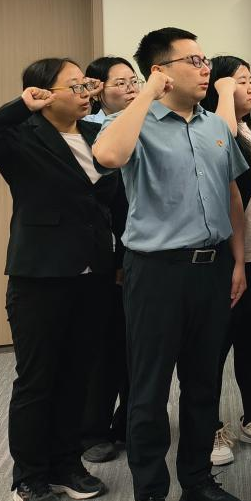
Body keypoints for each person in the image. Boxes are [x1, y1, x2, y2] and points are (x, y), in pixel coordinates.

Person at [92, 28, 249, 501]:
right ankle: (150, 497)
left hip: (212, 270)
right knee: (150, 390)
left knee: (204, 385)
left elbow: (232, 194)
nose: (205, 68)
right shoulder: (131, 122)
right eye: (194, 60)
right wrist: (145, 95)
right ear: (161, 70)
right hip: (156, 272)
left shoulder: (215, 126)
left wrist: (237, 262)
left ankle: (198, 483)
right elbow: (108, 155)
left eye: (205, 59)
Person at [0, 58, 121, 501]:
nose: (85, 92)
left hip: (94, 273)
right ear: (43, 94)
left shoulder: (96, 134)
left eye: (86, 84)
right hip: (41, 275)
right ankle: (29, 477)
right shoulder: (21, 135)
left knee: (77, 374)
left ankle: (66, 464)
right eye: (74, 85)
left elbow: (113, 201)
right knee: (38, 378)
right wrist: (19, 106)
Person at [80, 56, 141, 464]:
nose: (131, 87)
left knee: (138, 345)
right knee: (104, 345)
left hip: (142, 251)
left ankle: (129, 422)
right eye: (120, 82)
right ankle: (92, 430)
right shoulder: (87, 131)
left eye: (134, 80)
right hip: (106, 254)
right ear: (98, 89)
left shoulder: (144, 123)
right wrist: (118, 256)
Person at [203, 55, 251, 467]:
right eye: (241, 80)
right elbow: (220, 153)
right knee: (213, 348)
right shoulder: (214, 127)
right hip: (224, 254)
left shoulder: (250, 127)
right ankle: (209, 426)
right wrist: (224, 92)